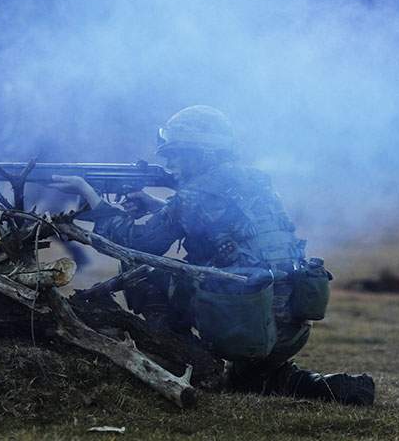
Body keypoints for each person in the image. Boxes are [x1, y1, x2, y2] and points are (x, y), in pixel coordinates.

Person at [49, 105, 375, 405]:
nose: (171, 165)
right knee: (251, 380)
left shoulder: (195, 194)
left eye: (177, 155)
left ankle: (186, 360)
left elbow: (139, 244)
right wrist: (158, 205)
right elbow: (220, 227)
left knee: (144, 275)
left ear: (198, 155)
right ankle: (318, 385)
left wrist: (92, 198)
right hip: (289, 325)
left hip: (244, 320)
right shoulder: (254, 181)